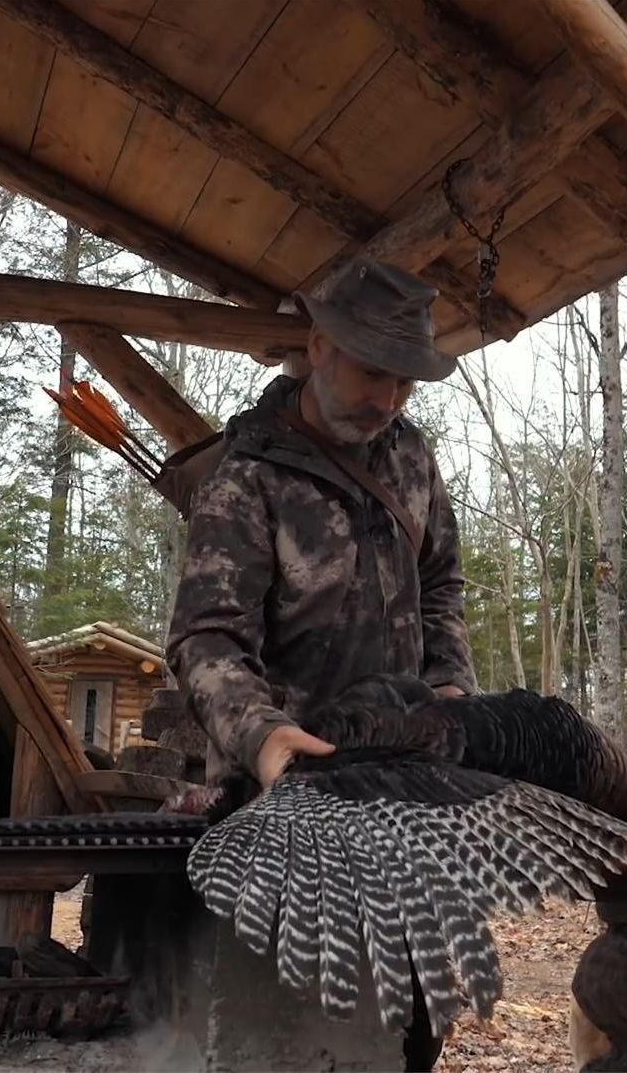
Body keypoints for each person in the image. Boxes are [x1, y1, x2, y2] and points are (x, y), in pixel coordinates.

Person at [163, 257, 475, 1070]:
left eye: (407, 383)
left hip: (408, 789)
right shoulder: (245, 481)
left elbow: (442, 581)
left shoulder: (411, 457)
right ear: (318, 346)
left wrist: (451, 687)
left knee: (410, 1030)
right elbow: (205, 637)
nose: (390, 401)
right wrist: (264, 739)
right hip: (286, 800)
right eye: (375, 373)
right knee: (287, 1035)